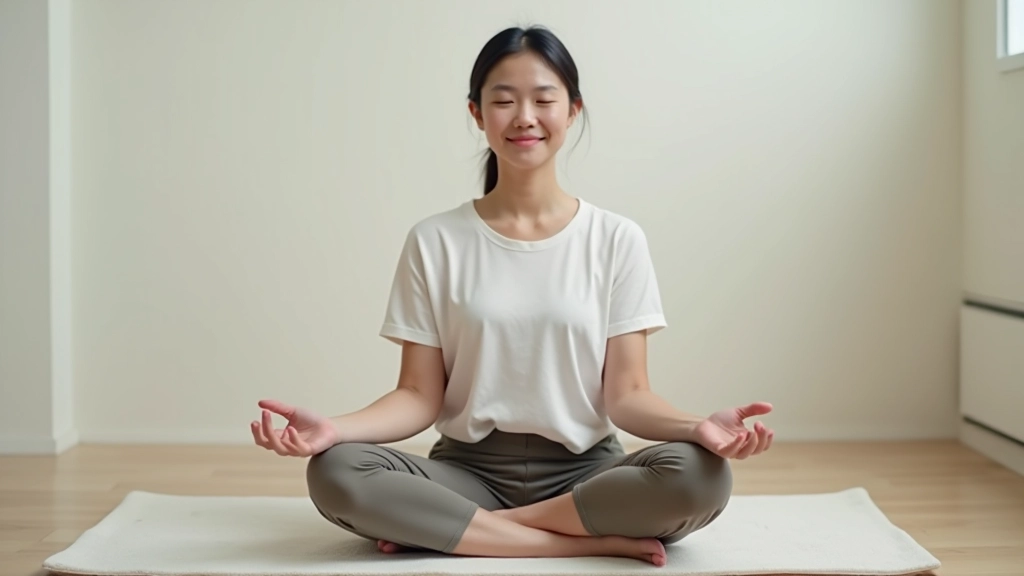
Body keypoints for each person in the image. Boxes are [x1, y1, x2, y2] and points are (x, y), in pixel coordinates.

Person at [250, 25, 774, 568]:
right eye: (503, 100)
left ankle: (464, 532)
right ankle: (583, 542)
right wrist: (335, 429)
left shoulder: (617, 239)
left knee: (701, 474)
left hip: (587, 477)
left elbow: (628, 395)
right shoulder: (435, 240)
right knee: (336, 470)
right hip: (465, 475)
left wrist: (698, 428)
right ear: (477, 113)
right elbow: (417, 396)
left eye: (544, 99)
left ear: (572, 110)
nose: (525, 116)